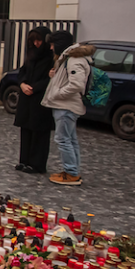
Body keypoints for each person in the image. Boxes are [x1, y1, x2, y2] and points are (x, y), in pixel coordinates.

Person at [41, 31, 95, 186]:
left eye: (52, 44)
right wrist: (54, 75)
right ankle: (72, 171)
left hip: (66, 106)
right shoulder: (69, 58)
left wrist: (58, 93)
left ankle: (71, 173)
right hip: (67, 105)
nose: (51, 48)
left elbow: (76, 84)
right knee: (70, 139)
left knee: (63, 139)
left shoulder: (73, 59)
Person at [13, 26, 55, 173]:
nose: (36, 44)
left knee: (39, 131)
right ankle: (24, 160)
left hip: (40, 98)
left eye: (39, 40)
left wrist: (34, 87)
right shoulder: (31, 55)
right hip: (26, 97)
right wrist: (23, 84)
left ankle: (37, 164)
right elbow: (23, 71)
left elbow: (50, 79)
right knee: (26, 129)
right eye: (33, 41)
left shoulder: (50, 58)